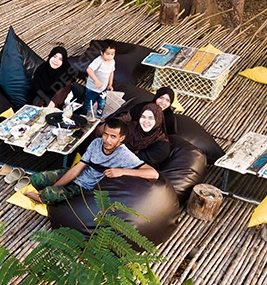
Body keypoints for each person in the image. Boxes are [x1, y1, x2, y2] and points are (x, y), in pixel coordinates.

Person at [24, 118, 160, 205]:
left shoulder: (124, 154)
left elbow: (153, 174)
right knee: (36, 179)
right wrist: (55, 185)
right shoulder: (96, 143)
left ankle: (44, 197)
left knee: (49, 195)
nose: (107, 140)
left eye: (113, 136)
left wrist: (122, 171)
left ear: (121, 138)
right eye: (105, 134)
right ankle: (44, 194)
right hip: (76, 175)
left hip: (84, 188)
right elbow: (78, 168)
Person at [124, 102, 172, 168]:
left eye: (151, 118)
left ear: (158, 120)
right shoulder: (132, 127)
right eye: (143, 117)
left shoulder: (162, 146)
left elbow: (135, 161)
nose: (146, 121)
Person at [82, 43, 116, 118]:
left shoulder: (112, 61)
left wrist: (110, 84)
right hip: (92, 88)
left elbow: (111, 72)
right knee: (89, 103)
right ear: (101, 52)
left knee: (102, 103)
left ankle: (98, 117)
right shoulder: (98, 61)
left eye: (112, 54)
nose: (110, 56)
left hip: (103, 88)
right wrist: (96, 81)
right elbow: (89, 70)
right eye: (107, 54)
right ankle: (84, 116)